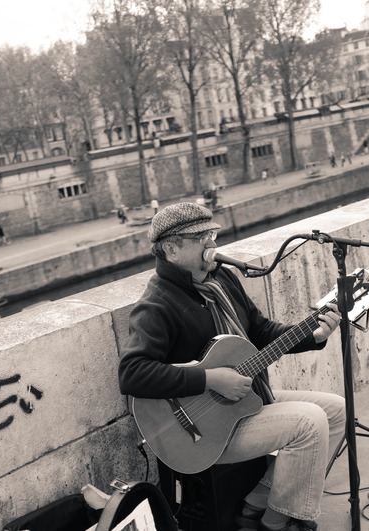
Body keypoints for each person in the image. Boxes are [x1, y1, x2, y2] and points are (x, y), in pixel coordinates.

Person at [118, 203, 345, 531]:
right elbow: (132, 373)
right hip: (202, 435)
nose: (212, 245)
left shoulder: (221, 278)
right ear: (171, 248)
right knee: (309, 423)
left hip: (242, 406)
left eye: (213, 234)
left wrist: (314, 334)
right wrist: (210, 379)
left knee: (336, 410)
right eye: (201, 237)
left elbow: (261, 331)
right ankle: (277, 523)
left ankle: (260, 502)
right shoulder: (157, 304)